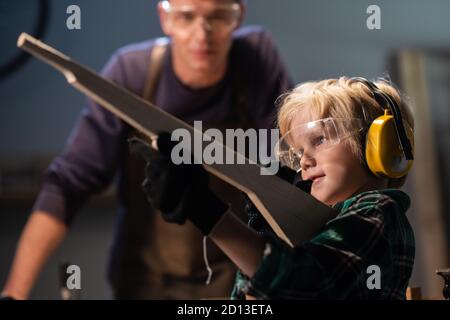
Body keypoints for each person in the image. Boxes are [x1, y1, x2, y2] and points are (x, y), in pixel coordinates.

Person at [1, 0, 292, 299]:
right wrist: (15, 292)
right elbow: (69, 181)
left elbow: (285, 171)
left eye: (218, 17)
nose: (202, 33)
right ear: (165, 18)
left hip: (231, 278)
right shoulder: (131, 73)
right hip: (144, 280)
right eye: (186, 17)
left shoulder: (255, 61)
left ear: (238, 17)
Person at [138, 76, 416, 299]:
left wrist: (206, 212)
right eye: (296, 153)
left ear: (379, 146)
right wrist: (268, 228)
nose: (304, 161)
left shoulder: (379, 211)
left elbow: (307, 285)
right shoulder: (314, 225)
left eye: (318, 140)